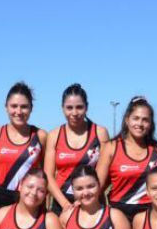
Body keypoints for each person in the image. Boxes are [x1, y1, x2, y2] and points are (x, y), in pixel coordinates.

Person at [44, 83, 110, 215]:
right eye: (69, 108)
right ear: (62, 108)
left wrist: (85, 199)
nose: (74, 113)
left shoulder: (100, 133)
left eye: (79, 107)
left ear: (86, 107)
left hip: (92, 201)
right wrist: (65, 205)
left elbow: (103, 174)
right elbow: (48, 176)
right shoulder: (54, 135)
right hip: (62, 203)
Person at [97, 96, 157, 223]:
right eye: (136, 118)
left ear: (150, 124)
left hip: (149, 215)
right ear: (127, 120)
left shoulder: (156, 150)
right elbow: (98, 187)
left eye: (145, 120)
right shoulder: (111, 147)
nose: (140, 124)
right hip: (119, 215)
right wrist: (105, 213)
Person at [0, 82, 48, 211]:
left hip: (30, 198)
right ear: (6, 107)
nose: (18, 111)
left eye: (24, 107)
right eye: (14, 106)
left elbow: (46, 174)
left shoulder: (40, 136)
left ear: (31, 108)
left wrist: (44, 204)